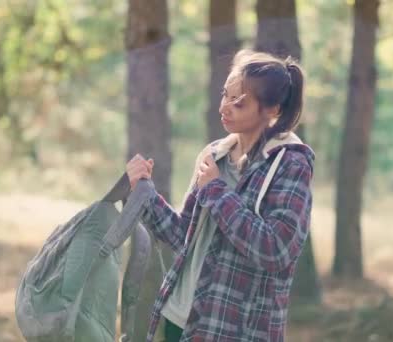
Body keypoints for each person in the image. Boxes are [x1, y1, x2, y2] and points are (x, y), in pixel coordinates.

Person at [126, 49, 315, 342]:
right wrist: (144, 192)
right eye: (225, 95)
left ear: (273, 110)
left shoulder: (291, 164)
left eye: (238, 103)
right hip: (178, 320)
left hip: (233, 331)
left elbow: (276, 250)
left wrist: (216, 190)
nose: (224, 107)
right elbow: (182, 236)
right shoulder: (215, 155)